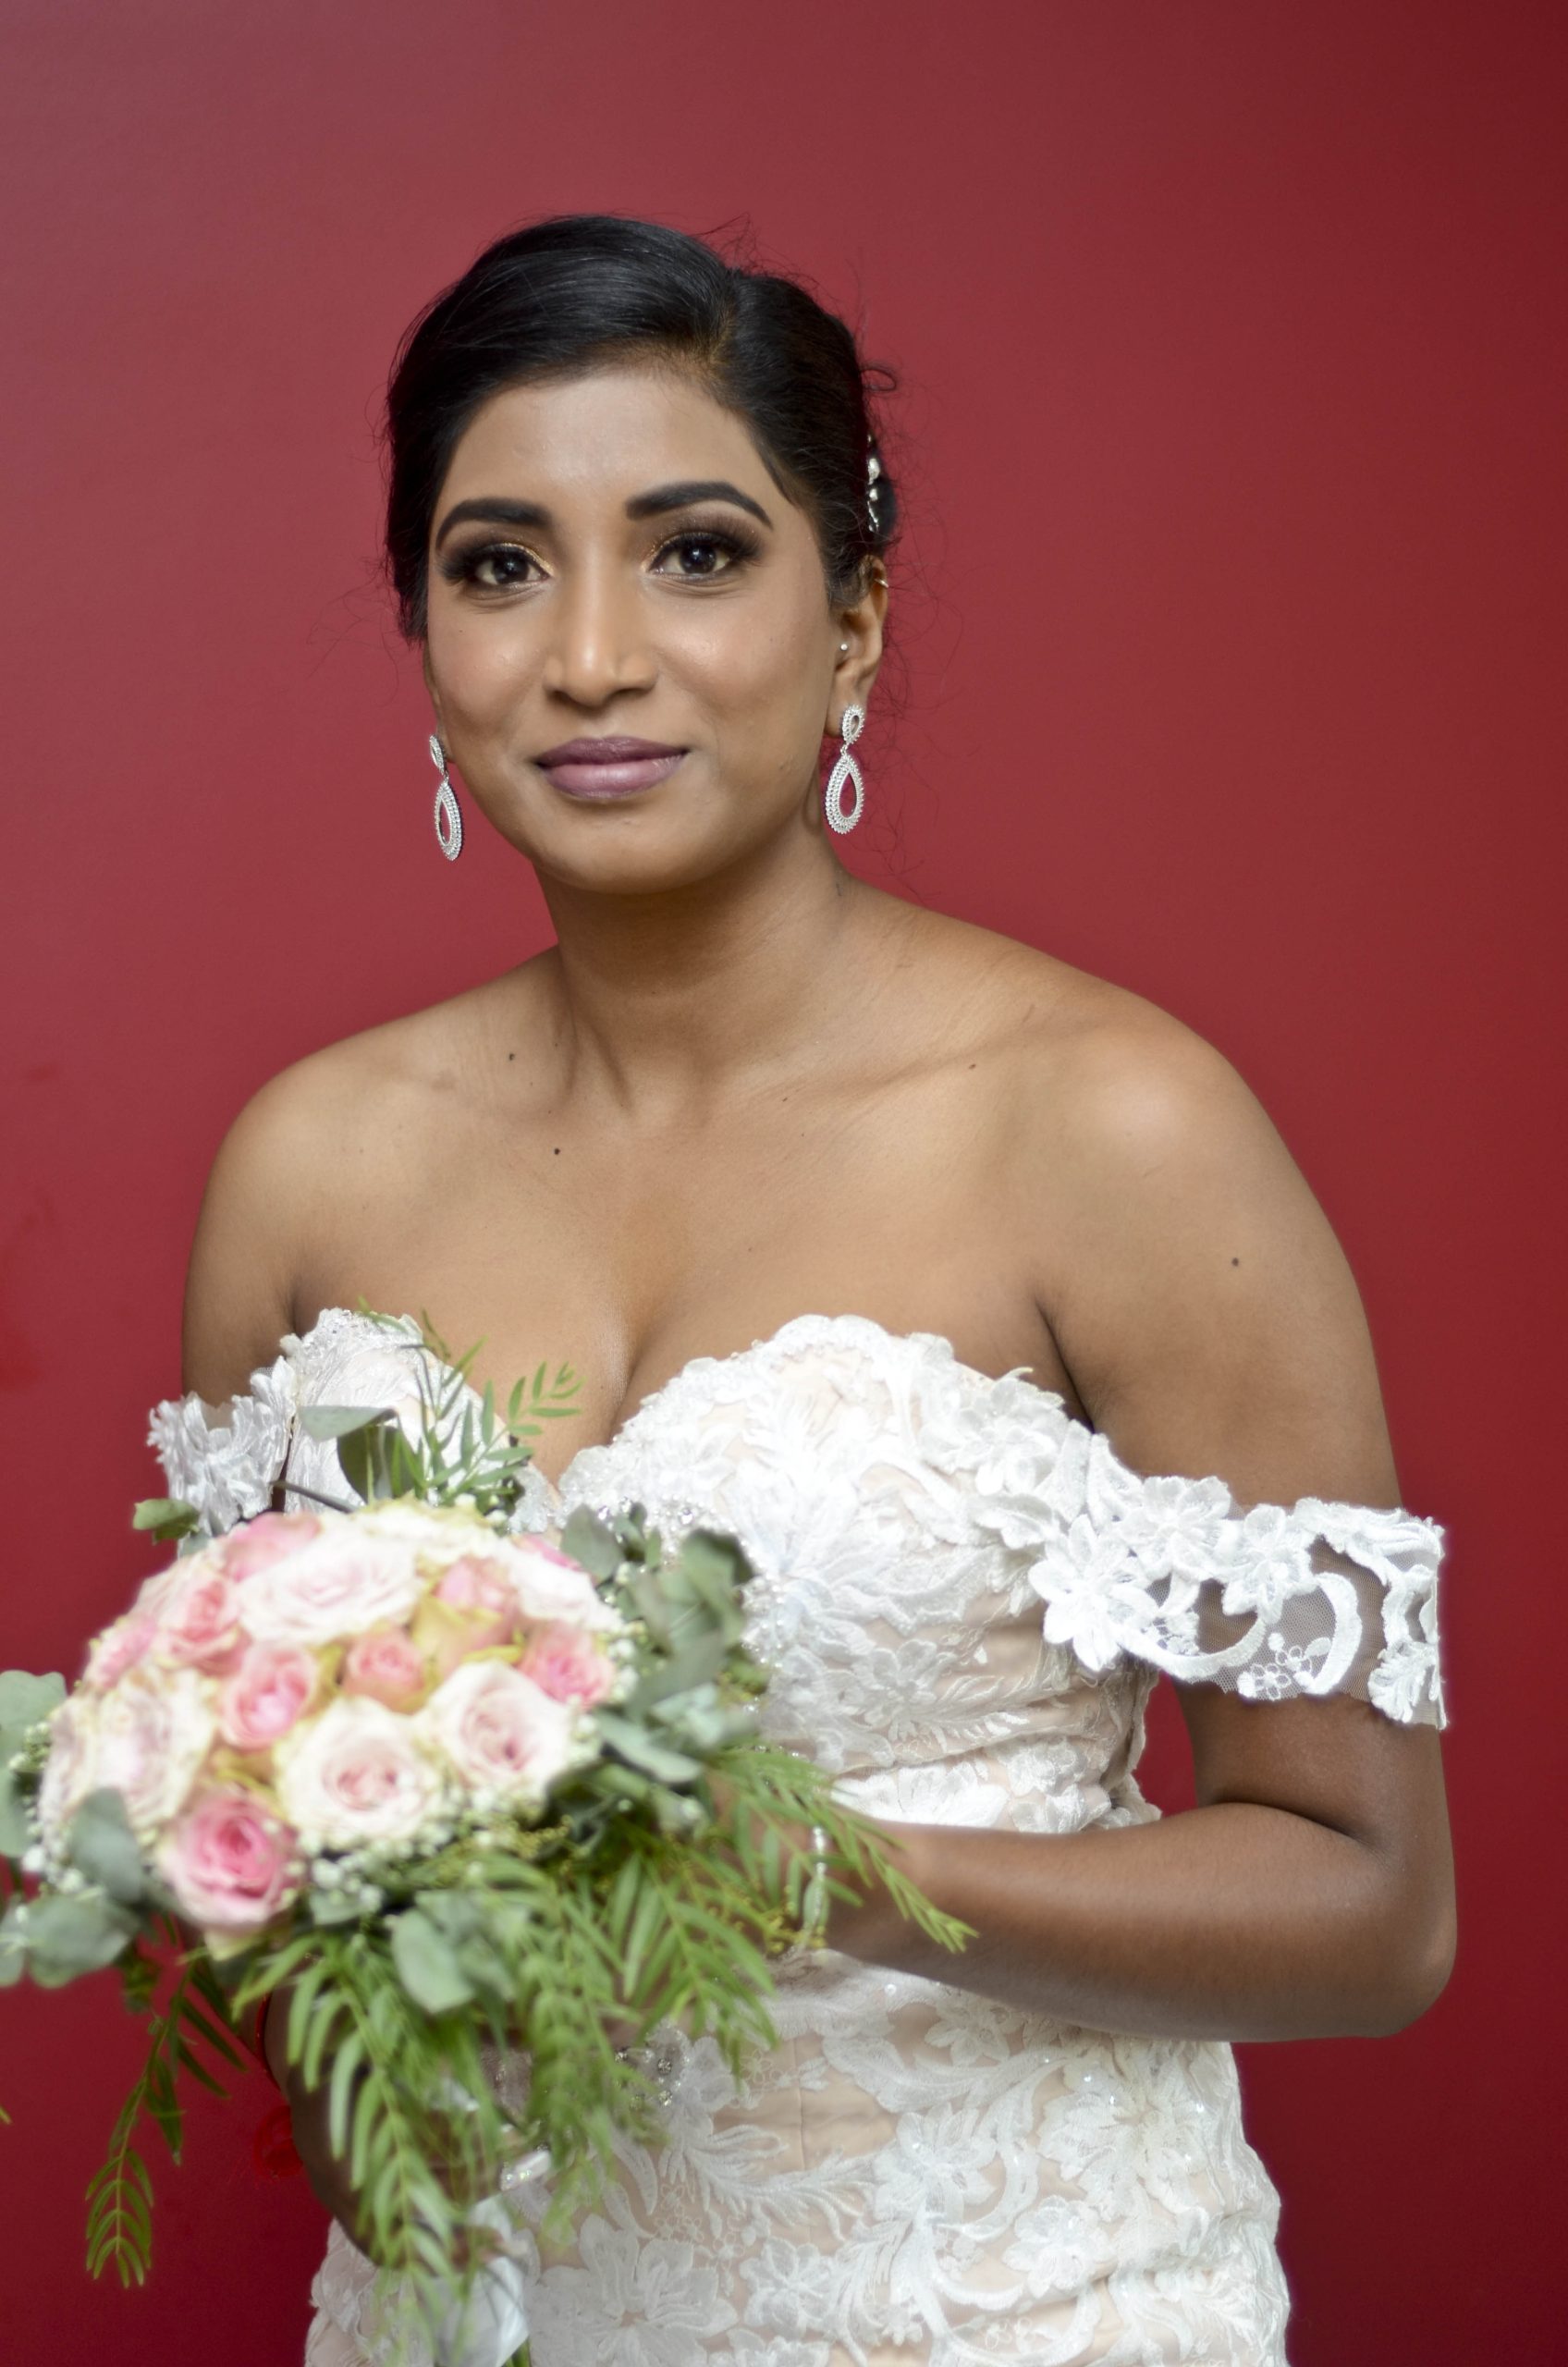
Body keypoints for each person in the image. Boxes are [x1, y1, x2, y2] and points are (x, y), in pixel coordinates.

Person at [154, 213, 1454, 2366]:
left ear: (849, 621)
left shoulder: (1109, 1125)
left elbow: (1364, 1900)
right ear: (422, 636)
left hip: (1008, 2313)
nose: (589, 655)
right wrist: (358, 2034)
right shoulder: (309, 1168)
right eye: (498, 565)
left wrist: (800, 1869)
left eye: (694, 552)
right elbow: (274, 1867)